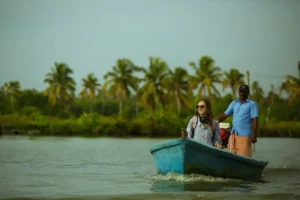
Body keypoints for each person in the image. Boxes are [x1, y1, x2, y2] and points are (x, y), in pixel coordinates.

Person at [218, 84, 258, 158]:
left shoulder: (252, 104)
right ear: (238, 92)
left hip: (245, 136)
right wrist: (214, 121)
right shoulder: (234, 103)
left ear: (248, 93)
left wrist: (254, 134)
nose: (242, 93)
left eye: (244, 92)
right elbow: (225, 115)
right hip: (234, 135)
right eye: (241, 91)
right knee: (233, 158)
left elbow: (255, 119)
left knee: (244, 157)